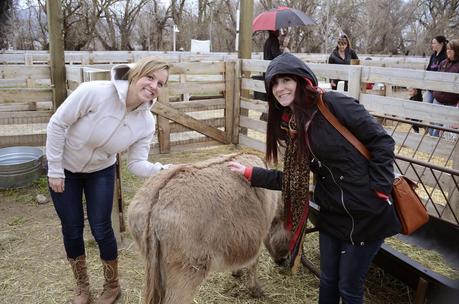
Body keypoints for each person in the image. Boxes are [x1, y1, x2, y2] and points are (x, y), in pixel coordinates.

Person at [229, 53, 401, 304]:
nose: (280, 88)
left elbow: (382, 141)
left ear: (301, 80)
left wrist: (380, 189)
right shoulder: (293, 125)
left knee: (349, 287)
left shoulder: (333, 104)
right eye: (274, 84)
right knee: (329, 280)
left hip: (366, 212)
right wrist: (250, 173)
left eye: (286, 80)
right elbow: (292, 180)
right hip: (331, 212)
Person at [46, 57, 170, 304]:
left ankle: (112, 286)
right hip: (65, 169)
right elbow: (58, 124)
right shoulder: (94, 92)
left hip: (101, 171)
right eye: (150, 77)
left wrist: (165, 169)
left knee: (102, 227)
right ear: (135, 74)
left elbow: (136, 163)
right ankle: (82, 287)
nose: (154, 85)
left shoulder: (146, 121)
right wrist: (55, 169)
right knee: (71, 228)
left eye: (160, 83)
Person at [431, 39, 459, 137]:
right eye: (447, 49)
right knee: (434, 125)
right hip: (438, 99)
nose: (448, 51)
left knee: (445, 129)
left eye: (451, 49)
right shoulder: (443, 63)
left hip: (451, 102)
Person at [424, 35, 448, 103]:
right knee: (426, 102)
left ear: (441, 44)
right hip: (431, 86)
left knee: (435, 105)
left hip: (440, 89)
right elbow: (428, 69)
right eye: (432, 43)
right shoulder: (433, 56)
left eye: (434, 43)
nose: (432, 45)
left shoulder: (445, 56)